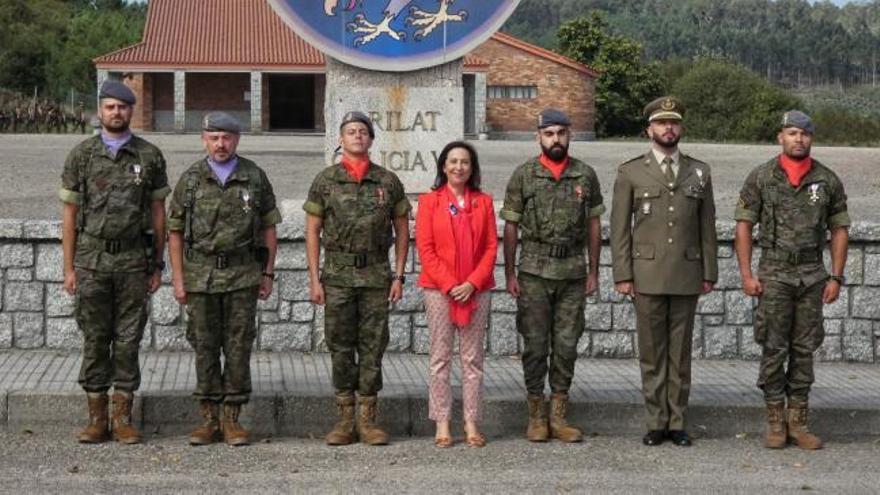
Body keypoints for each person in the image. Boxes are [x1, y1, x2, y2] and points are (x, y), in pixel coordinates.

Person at [59, 80, 170, 444]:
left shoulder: (149, 156)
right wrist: (69, 267)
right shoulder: (82, 155)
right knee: (95, 338)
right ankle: (96, 418)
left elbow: (158, 213)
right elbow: (70, 214)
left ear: (131, 111)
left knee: (128, 340)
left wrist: (157, 264)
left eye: (123, 107)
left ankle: (122, 417)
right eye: (110, 107)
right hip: (92, 260)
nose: (117, 113)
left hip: (132, 262)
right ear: (100, 110)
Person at [734, 110, 849, 450]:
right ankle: (774, 420)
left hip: (813, 275)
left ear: (812, 139)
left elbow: (839, 229)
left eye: (805, 134)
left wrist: (836, 277)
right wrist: (747, 274)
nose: (799, 139)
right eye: (792, 133)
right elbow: (744, 225)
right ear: (780, 137)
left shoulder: (827, 180)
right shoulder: (761, 177)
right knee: (773, 347)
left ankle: (798, 421)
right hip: (774, 275)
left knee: (804, 349)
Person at [167, 112, 281, 446]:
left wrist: (268, 272)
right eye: (214, 137)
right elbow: (174, 232)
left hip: (242, 274)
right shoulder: (190, 179)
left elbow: (268, 228)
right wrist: (178, 278)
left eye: (227, 137)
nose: (221, 144)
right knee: (203, 346)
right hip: (200, 276)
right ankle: (208, 418)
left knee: (238, 346)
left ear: (237, 140)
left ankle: (232, 418)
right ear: (204, 139)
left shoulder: (253, 176)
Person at [610, 96, 718, 447]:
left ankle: (678, 421)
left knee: (680, 353)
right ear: (649, 129)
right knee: (652, 352)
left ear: (681, 128)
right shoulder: (631, 171)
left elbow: (707, 226)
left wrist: (709, 272)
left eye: (673, 122)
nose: (668, 128)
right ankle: (656, 421)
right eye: (661, 123)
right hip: (647, 274)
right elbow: (619, 228)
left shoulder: (699, 171)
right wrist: (623, 274)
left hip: (686, 272)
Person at [304, 111, 411, 446]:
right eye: (351, 131)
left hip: (377, 275)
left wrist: (399, 275)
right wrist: (314, 279)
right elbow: (312, 231)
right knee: (339, 345)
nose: (357, 136)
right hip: (337, 275)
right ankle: (344, 419)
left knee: (373, 346)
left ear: (371, 139)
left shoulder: (388, 182)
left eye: (363, 131)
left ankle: (368, 420)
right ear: (340, 139)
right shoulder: (325, 180)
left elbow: (403, 230)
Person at [500, 108, 604, 443]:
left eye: (561, 133)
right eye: (549, 133)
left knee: (567, 344)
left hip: (573, 271)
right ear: (538, 137)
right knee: (534, 344)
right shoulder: (524, 175)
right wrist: (510, 273)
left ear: (569, 135)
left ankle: (559, 415)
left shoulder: (585, 175)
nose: (555, 139)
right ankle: (536, 415)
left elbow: (593, 224)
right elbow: (511, 226)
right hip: (533, 272)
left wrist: (594, 271)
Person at [415, 141, 498, 448]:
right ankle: (442, 422)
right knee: (440, 358)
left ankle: (472, 422)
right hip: (439, 290)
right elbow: (426, 248)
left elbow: (491, 246)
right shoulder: (429, 202)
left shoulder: (484, 202)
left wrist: (473, 283)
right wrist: (450, 284)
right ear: (443, 166)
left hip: (477, 290)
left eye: (465, 162)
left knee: (473, 359)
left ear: (472, 168)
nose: (458, 167)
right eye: (453, 162)